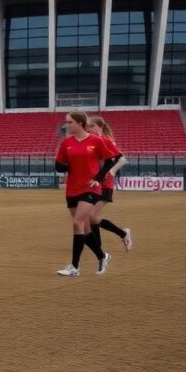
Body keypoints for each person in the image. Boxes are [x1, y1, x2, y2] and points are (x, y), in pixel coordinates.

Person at [54, 111, 121, 277]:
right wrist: (67, 165)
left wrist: (98, 178)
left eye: (70, 122)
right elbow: (58, 166)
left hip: (90, 188)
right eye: (67, 122)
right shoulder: (66, 142)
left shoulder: (96, 141)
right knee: (84, 228)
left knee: (78, 223)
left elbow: (110, 161)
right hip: (72, 188)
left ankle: (74, 267)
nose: (67, 125)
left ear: (80, 123)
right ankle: (102, 256)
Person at [87, 116, 133, 251]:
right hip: (95, 184)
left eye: (91, 126)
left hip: (105, 185)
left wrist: (111, 171)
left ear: (99, 127)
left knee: (92, 216)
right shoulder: (92, 142)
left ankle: (123, 233)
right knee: (91, 217)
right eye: (88, 127)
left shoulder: (105, 141)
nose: (89, 129)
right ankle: (99, 244)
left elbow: (122, 159)